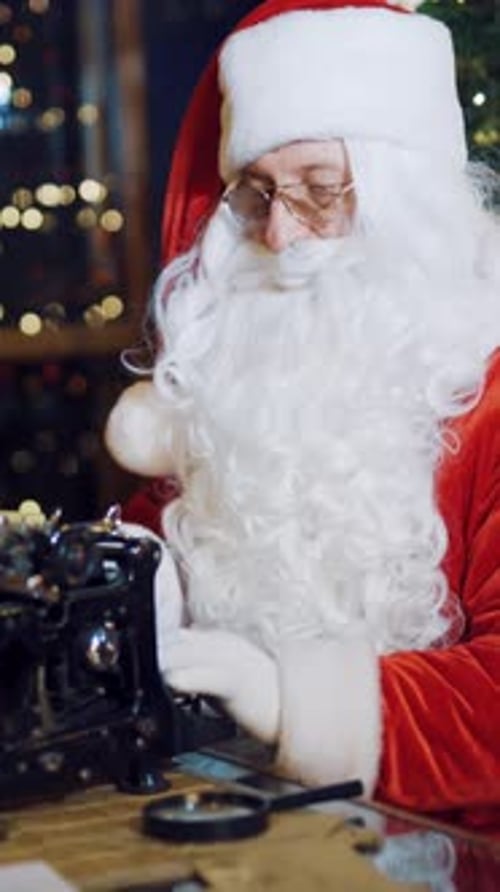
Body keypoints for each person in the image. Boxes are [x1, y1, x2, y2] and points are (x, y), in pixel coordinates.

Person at [105, 0, 500, 831]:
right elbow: (160, 546)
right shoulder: (239, 380)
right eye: (257, 196)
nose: (281, 236)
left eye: (321, 191)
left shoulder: (489, 391)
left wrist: (294, 698)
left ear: (411, 200)